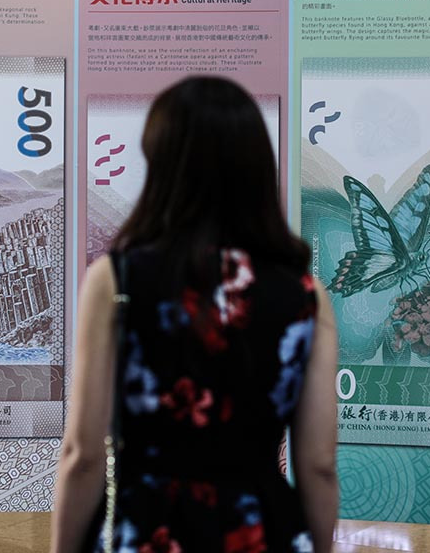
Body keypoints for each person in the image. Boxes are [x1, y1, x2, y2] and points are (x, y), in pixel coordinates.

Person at [52, 77, 338, 553]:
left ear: (161, 164)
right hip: (262, 532)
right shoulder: (306, 295)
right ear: (257, 167)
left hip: (150, 531)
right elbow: (318, 464)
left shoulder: (117, 278)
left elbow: (82, 455)